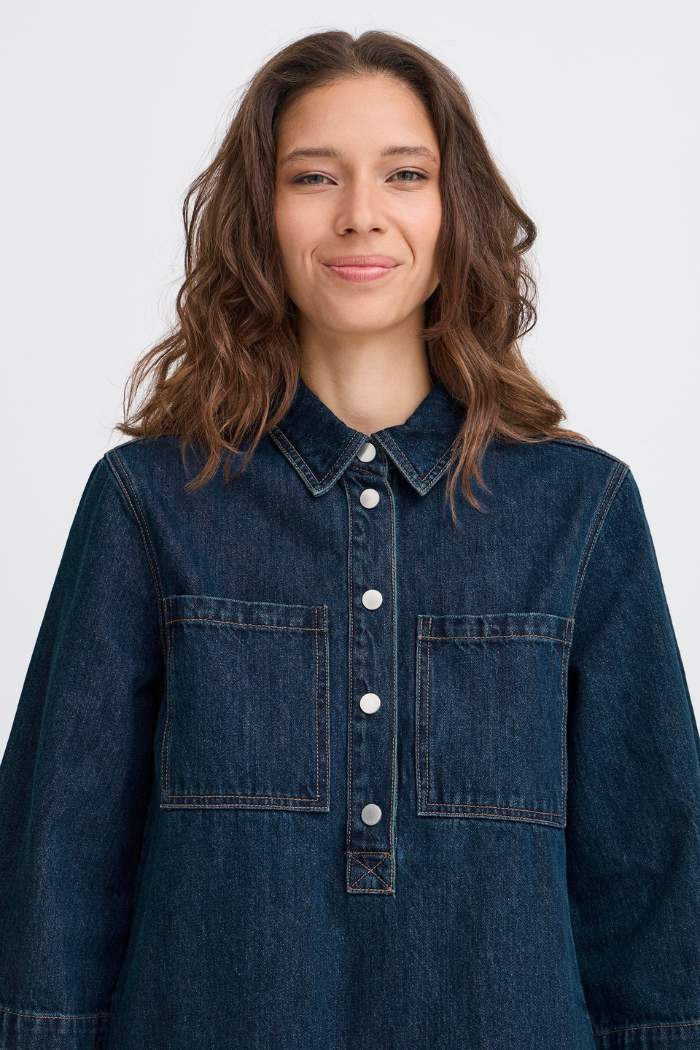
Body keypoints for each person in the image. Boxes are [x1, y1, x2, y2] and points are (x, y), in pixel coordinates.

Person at [1, 27, 698, 1050]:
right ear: (260, 215)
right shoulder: (146, 504)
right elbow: (53, 873)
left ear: (455, 210)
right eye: (314, 176)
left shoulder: (580, 510)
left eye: (405, 174)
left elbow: (655, 892)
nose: (360, 213)